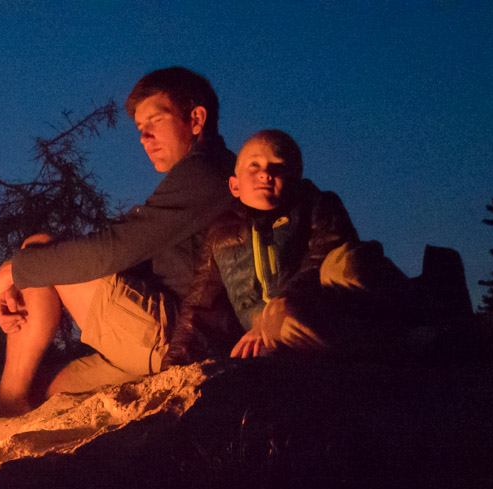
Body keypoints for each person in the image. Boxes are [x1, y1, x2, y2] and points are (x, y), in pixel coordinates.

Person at [0, 66, 237, 417]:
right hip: (168, 340)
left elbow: (111, 250)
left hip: (176, 338)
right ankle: (13, 401)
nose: (144, 137)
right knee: (46, 388)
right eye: (139, 128)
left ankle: (5, 405)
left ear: (196, 119)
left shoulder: (207, 172)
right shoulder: (205, 175)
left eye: (156, 121)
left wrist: (13, 270)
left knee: (38, 250)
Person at [173, 129, 472, 360]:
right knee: (283, 321)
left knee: (348, 262)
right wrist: (175, 360)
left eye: (279, 167)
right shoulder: (220, 233)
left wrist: (286, 299)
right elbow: (200, 303)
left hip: (332, 304)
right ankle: (419, 342)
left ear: (297, 178)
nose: (266, 173)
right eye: (255, 165)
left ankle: (430, 305)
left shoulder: (316, 204)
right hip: (284, 329)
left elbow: (324, 256)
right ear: (234, 185)